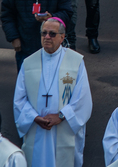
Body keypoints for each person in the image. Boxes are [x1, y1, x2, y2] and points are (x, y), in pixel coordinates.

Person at [13, 18, 93, 167]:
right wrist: (34, 117)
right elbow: (19, 98)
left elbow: (82, 98)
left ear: (62, 37)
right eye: (44, 33)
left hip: (64, 128)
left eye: (52, 34)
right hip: (37, 128)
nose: (47, 37)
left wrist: (61, 116)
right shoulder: (29, 63)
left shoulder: (75, 61)